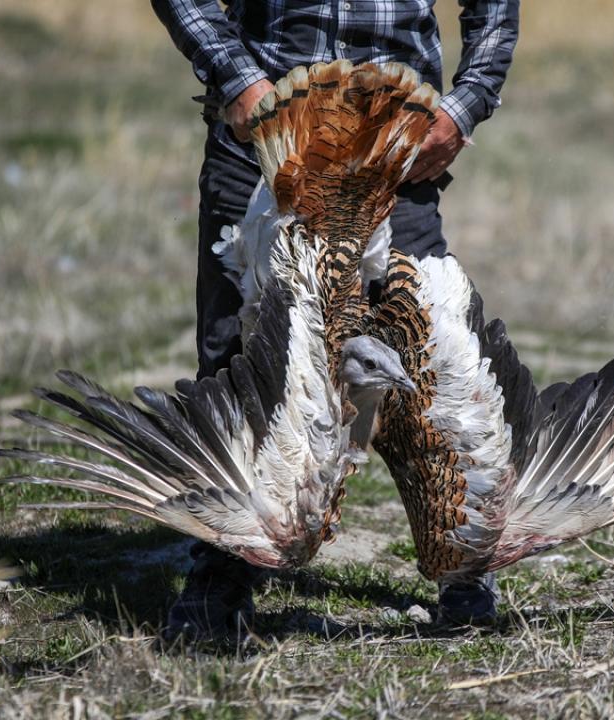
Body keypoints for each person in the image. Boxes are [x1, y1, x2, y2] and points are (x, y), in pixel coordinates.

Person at [151, 0, 519, 638]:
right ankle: (226, 562)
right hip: (263, 132)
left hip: (395, 141)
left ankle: (465, 559)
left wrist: (464, 108)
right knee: (241, 357)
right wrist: (237, 79)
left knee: (426, 352)